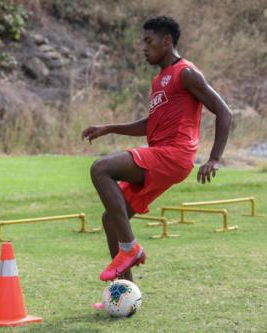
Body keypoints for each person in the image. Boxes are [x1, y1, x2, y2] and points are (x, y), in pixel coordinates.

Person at [82, 16, 232, 294]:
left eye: (148, 42)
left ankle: (130, 248)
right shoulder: (158, 80)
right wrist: (108, 128)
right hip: (161, 154)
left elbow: (224, 112)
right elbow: (150, 124)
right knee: (111, 219)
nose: (144, 48)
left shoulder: (186, 73)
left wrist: (214, 158)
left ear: (167, 41)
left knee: (100, 168)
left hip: (174, 154)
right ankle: (124, 294)